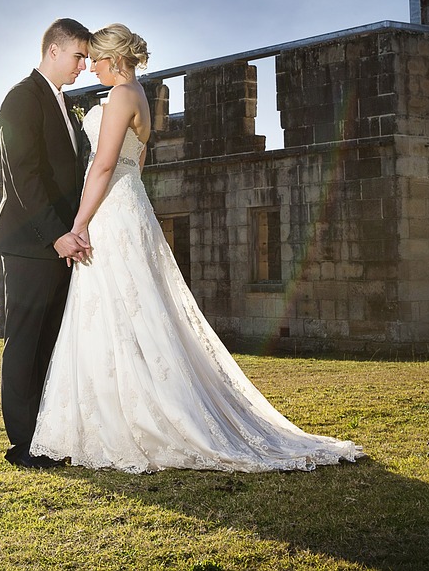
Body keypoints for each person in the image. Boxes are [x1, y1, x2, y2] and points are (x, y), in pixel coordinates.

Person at [30, 23, 364, 473]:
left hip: (110, 210)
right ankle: (122, 410)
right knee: (133, 309)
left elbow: (104, 164)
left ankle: (127, 419)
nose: (89, 67)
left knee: (117, 307)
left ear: (112, 59)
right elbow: (136, 162)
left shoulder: (121, 97)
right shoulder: (142, 95)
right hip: (132, 206)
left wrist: (79, 223)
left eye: (94, 59)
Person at [0, 17, 93, 469]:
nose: (83, 66)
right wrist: (56, 235)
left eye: (87, 58)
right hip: (31, 244)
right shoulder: (20, 99)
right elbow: (23, 178)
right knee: (25, 342)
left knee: (51, 342)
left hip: (60, 244)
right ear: (54, 50)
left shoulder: (66, 105)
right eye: (78, 56)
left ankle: (46, 436)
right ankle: (23, 445)